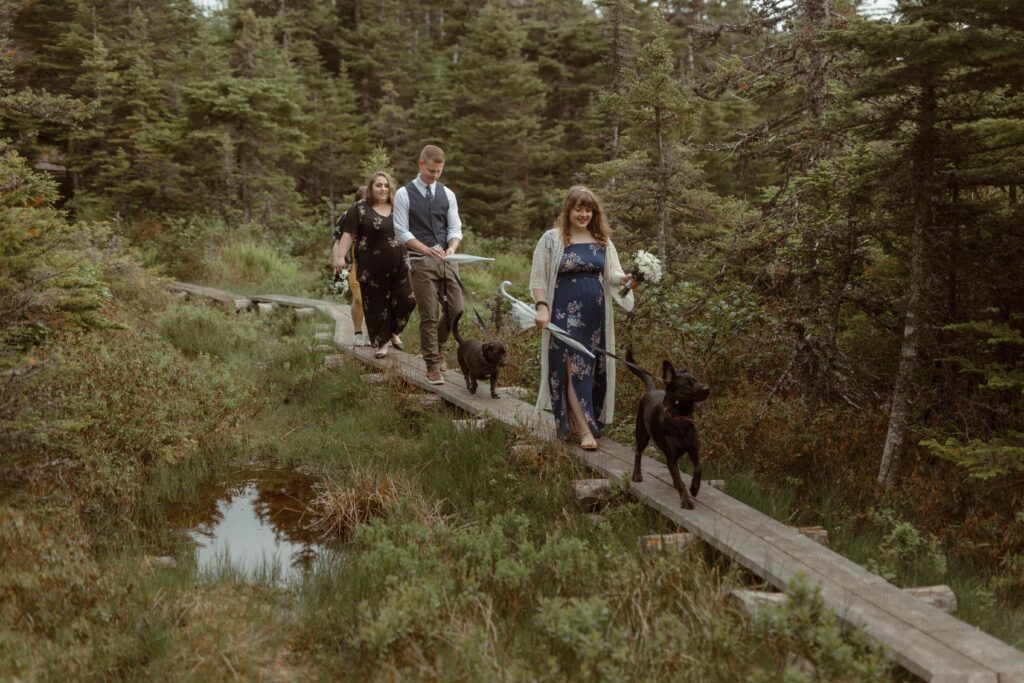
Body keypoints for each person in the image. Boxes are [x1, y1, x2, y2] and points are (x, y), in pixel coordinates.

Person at [530, 186, 633, 451]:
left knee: (588, 368)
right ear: (568, 210)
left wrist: (623, 280)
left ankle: (578, 421)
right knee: (573, 367)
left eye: (588, 210)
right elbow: (539, 277)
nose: (584, 214)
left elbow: (612, 273)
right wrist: (542, 307)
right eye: (579, 209)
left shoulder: (602, 240)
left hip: (594, 316)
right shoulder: (552, 239)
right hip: (562, 314)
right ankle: (586, 431)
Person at [393, 144, 464, 385]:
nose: (435, 176)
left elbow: (455, 228)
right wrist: (426, 249)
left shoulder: (448, 194)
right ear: (421, 164)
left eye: (439, 172)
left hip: (448, 261)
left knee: (456, 310)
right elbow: (401, 232)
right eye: (431, 171)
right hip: (421, 262)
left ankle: (439, 345)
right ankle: (432, 365)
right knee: (429, 315)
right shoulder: (404, 194)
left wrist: (452, 247)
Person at [334, 172, 416, 358]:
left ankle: (394, 331)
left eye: (386, 185)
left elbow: (412, 231)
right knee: (377, 305)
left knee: (407, 299)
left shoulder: (398, 206)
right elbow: (348, 234)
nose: (383, 189)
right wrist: (340, 257)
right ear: (371, 188)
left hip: (400, 265)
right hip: (371, 267)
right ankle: (382, 343)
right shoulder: (360, 208)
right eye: (378, 185)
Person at [333, 186, 367, 346]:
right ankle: (358, 332)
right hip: (355, 262)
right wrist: (337, 259)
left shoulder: (376, 214)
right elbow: (337, 239)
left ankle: (373, 334)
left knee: (373, 300)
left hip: (375, 263)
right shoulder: (347, 215)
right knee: (359, 299)